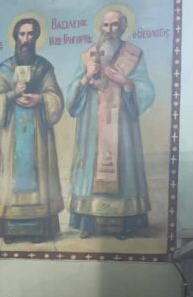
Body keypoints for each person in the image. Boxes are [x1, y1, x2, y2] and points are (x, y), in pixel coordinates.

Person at [66, 10, 155, 240]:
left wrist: (125, 82)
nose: (109, 30)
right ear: (100, 27)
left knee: (123, 171)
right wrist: (86, 77)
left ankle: (123, 224)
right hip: (92, 128)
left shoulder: (133, 55)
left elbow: (147, 89)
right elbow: (71, 96)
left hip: (121, 127)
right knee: (90, 169)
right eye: (105, 25)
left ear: (123, 28)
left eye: (114, 25)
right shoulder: (88, 55)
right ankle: (88, 222)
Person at [0, 17, 64, 244]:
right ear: (15, 37)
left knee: (39, 180)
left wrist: (40, 99)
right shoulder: (2, 71)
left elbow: (56, 99)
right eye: (22, 34)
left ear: (36, 37)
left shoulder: (44, 68)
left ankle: (39, 228)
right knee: (8, 181)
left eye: (30, 34)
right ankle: (9, 228)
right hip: (9, 136)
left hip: (38, 137)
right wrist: (12, 95)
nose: (26, 39)